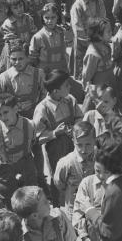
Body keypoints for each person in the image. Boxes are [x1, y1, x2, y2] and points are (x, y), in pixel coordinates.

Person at [0, 93, 42, 208]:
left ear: (16, 108)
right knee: (8, 200)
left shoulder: (29, 124)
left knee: (31, 197)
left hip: (26, 164)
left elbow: (33, 140)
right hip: (6, 168)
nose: (3, 117)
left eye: (6, 112)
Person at [32, 69, 83, 205]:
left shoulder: (70, 100)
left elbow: (79, 117)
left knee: (75, 173)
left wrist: (75, 127)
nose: (69, 87)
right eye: (66, 85)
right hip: (56, 148)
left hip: (74, 144)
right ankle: (59, 207)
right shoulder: (42, 108)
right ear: (55, 91)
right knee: (58, 177)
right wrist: (54, 133)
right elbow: (37, 137)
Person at [54, 121, 96, 217]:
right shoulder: (66, 163)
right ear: (73, 141)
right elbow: (59, 184)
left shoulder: (100, 158)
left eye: (88, 144)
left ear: (95, 140)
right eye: (79, 145)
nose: (84, 150)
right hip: (74, 212)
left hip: (96, 211)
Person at [0, 39, 45, 119]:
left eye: (21, 59)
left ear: (28, 58)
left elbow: (44, 96)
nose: (17, 62)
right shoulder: (4, 77)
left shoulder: (39, 74)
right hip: (12, 117)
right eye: (14, 59)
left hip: (35, 115)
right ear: (9, 58)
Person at [71, 0, 107, 79]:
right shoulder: (77, 6)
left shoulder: (99, 2)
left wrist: (101, 38)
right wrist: (91, 42)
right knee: (83, 73)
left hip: (99, 42)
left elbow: (103, 21)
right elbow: (78, 29)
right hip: (83, 46)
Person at [29, 1, 69, 73]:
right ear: (42, 18)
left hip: (62, 72)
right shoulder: (38, 37)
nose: (50, 21)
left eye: (53, 17)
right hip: (45, 74)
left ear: (58, 17)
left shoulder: (63, 32)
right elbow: (33, 59)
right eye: (46, 18)